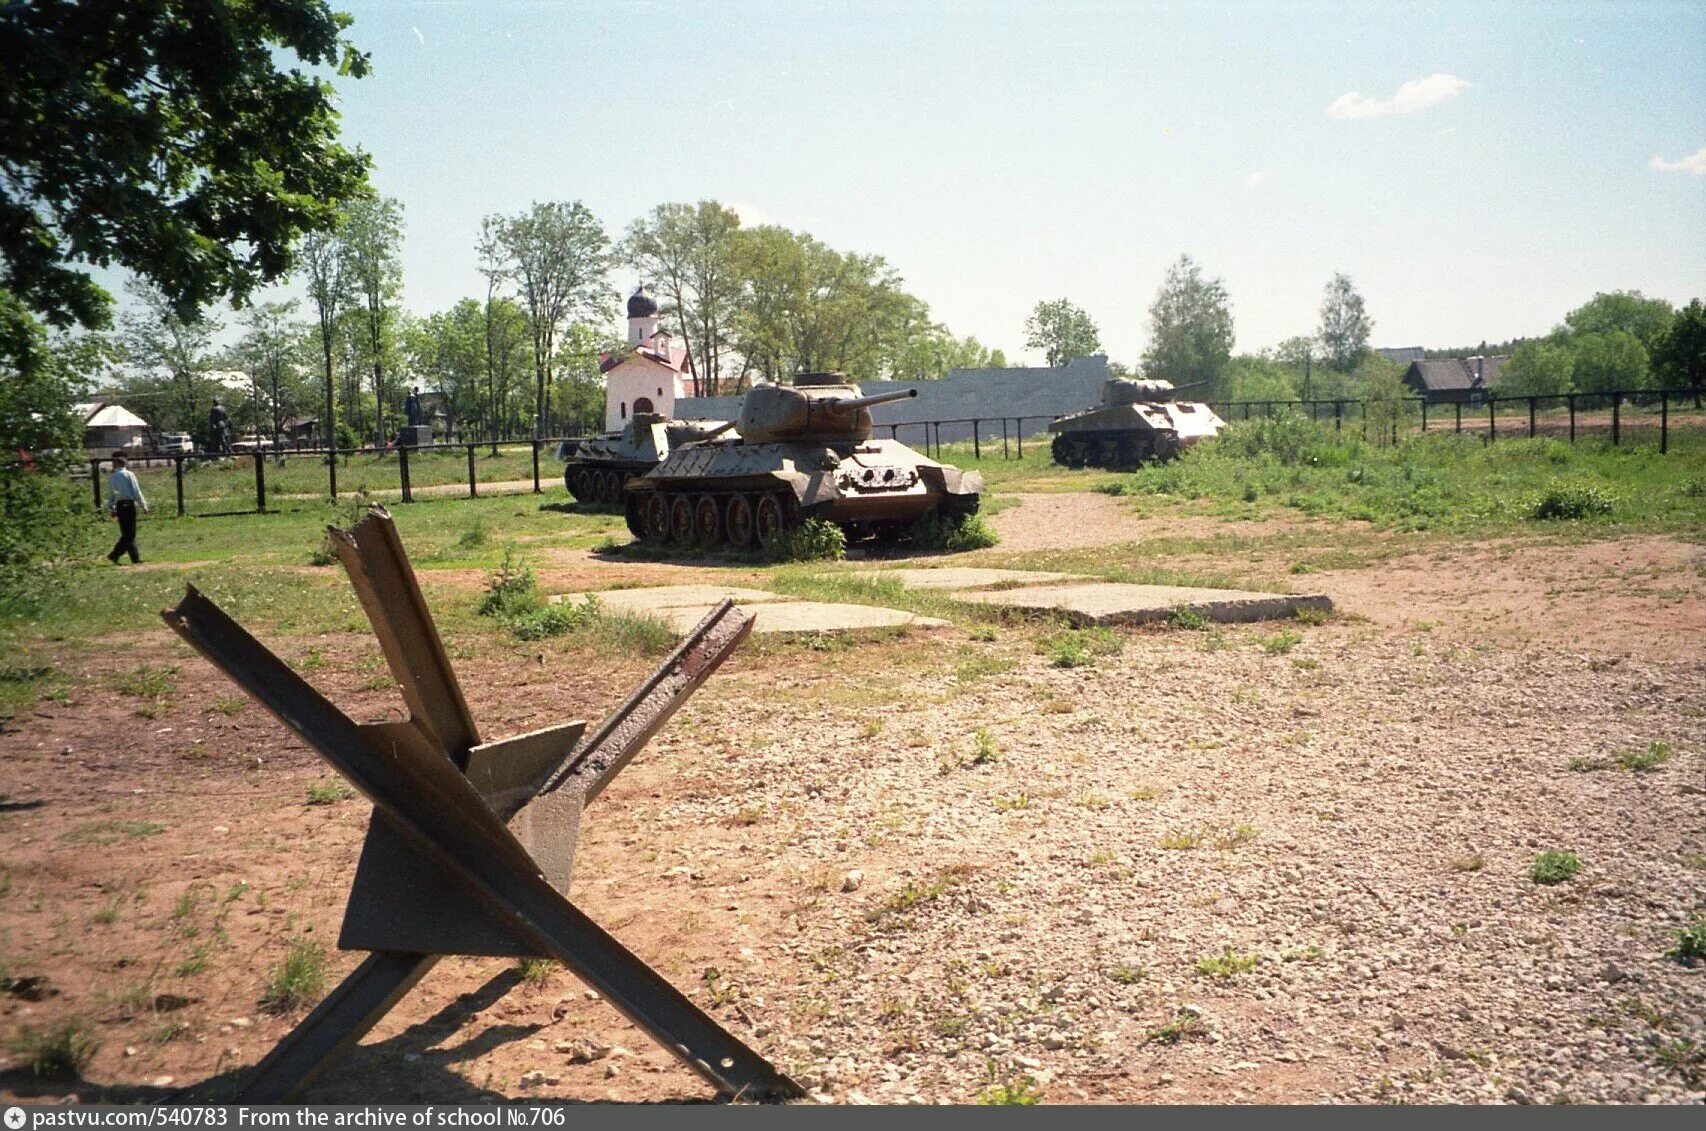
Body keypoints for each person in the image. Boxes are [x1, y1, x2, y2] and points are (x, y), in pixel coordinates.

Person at [106, 450, 151, 564]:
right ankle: (114, 554)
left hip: (120, 506)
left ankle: (135, 559)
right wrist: (144, 505)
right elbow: (136, 491)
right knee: (130, 534)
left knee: (127, 533)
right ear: (125, 464)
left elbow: (111, 494)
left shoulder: (112, 477)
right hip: (129, 504)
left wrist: (111, 508)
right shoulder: (129, 475)